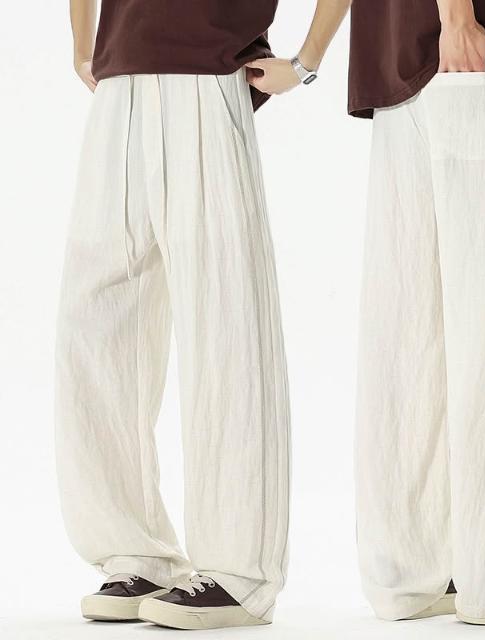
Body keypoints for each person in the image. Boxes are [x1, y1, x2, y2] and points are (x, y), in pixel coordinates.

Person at [258, 0, 485, 627]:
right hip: (462, 58)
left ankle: (410, 574)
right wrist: (457, 19)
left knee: (411, 336)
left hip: (396, 82)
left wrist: (308, 62)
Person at [56, 0, 347, 631]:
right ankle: (135, 552)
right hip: (119, 81)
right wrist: (84, 46)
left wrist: (307, 62)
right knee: (95, 327)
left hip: (209, 74)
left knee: (226, 322)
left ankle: (239, 571)